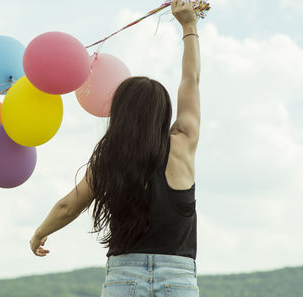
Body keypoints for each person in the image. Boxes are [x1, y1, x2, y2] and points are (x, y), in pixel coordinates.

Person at [30, 0, 201, 295]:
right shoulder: (183, 141)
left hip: (125, 276)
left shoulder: (110, 159)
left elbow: (68, 206)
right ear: (163, 112)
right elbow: (191, 81)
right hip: (178, 277)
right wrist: (189, 26)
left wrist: (40, 234)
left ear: (121, 113)